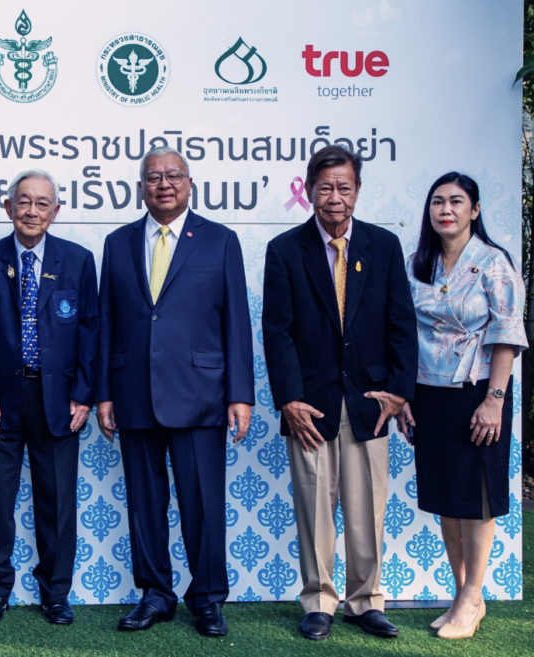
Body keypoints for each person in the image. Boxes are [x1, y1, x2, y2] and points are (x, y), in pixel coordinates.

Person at [97, 146, 254, 638]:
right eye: (153, 177)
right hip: (133, 391)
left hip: (201, 394)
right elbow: (107, 323)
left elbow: (236, 321)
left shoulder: (220, 240)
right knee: (144, 504)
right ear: (140, 187)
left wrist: (240, 394)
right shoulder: (117, 243)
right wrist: (104, 392)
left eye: (173, 176)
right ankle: (155, 594)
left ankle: (207, 598)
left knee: (203, 504)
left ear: (189, 183)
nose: (163, 184)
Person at [262, 145, 417, 641]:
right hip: (309, 404)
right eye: (325, 187)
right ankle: (319, 601)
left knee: (368, 507)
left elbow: (402, 324)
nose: (335, 197)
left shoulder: (383, 246)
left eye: (344, 187)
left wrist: (399, 392)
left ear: (358, 190)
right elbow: (277, 332)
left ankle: (366, 601)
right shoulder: (285, 250)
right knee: (314, 507)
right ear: (309, 190)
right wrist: (288, 399)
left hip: (370, 402)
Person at [0, 170, 98, 626]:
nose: (32, 211)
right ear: (8, 207)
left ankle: (55, 593)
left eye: (42, 203)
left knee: (56, 500)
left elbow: (90, 331)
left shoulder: (77, 260)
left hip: (58, 397)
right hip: (2, 398)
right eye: (24, 201)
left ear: (55, 211)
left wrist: (84, 394)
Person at [396, 172, 526, 640]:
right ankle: (461, 593)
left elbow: (506, 334)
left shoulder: (493, 263)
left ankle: (474, 594)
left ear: (474, 210)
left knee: (476, 499)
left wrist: (495, 400)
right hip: (429, 394)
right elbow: (403, 333)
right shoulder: (417, 264)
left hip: (478, 392)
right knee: (446, 499)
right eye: (437, 201)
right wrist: (404, 396)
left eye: (456, 201)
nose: (445, 209)